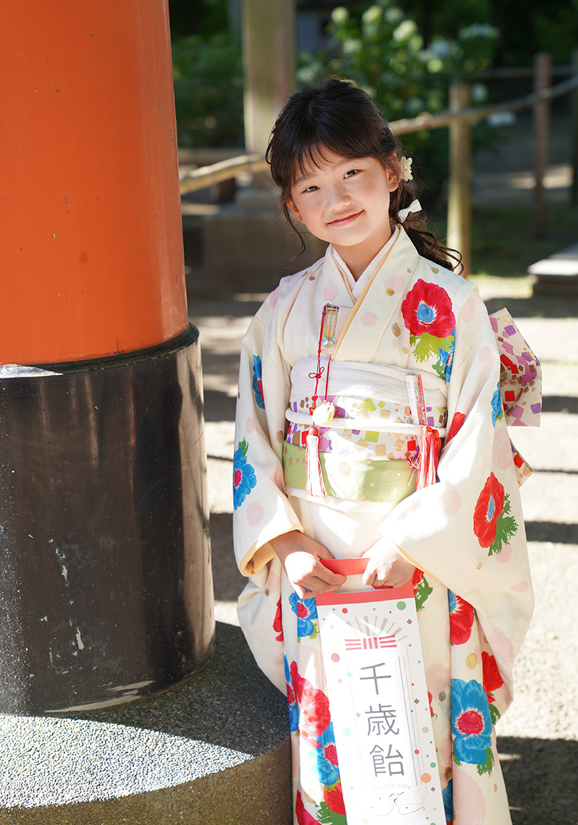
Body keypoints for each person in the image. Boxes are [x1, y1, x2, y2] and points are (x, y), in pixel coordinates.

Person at [233, 77, 535, 825]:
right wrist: (287, 542)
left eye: (351, 174)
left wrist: (410, 541)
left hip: (420, 565)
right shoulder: (283, 311)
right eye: (310, 185)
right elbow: (254, 438)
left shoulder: (451, 302)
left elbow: (476, 439)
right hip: (321, 566)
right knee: (342, 735)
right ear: (291, 205)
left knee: (422, 724)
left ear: (391, 171)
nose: (334, 199)